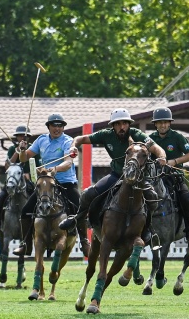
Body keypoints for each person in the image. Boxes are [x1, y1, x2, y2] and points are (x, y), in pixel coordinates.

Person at [59, 108, 168, 251]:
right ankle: (77, 219)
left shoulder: (137, 134)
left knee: (152, 198)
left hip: (136, 179)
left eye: (124, 123)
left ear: (129, 124)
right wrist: (73, 147)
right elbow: (80, 139)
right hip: (117, 175)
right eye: (118, 124)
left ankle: (148, 230)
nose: (122, 127)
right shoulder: (106, 135)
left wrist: (162, 158)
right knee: (87, 194)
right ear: (113, 126)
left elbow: (157, 148)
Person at [12, 114, 81, 256]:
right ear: (48, 127)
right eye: (54, 125)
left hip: (65, 182)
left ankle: (85, 241)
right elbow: (24, 158)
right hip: (47, 184)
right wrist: (22, 150)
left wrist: (55, 169)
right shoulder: (41, 140)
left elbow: (68, 162)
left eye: (60, 126)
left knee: (80, 207)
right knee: (26, 211)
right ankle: (26, 244)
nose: (57, 128)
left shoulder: (67, 141)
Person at [149, 107, 189, 244]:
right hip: (155, 179)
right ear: (155, 124)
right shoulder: (150, 139)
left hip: (174, 177)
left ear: (169, 123)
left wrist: (174, 161)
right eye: (160, 122)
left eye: (165, 122)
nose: (163, 125)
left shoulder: (178, 137)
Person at [0, 126, 40, 229]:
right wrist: (17, 151)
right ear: (17, 137)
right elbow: (7, 165)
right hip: (12, 182)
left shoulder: (34, 148)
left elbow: (39, 166)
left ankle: (38, 225)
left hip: (29, 182)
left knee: (40, 199)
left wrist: (29, 173)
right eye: (19, 136)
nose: (22, 137)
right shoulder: (11, 149)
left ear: (28, 137)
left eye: (24, 136)